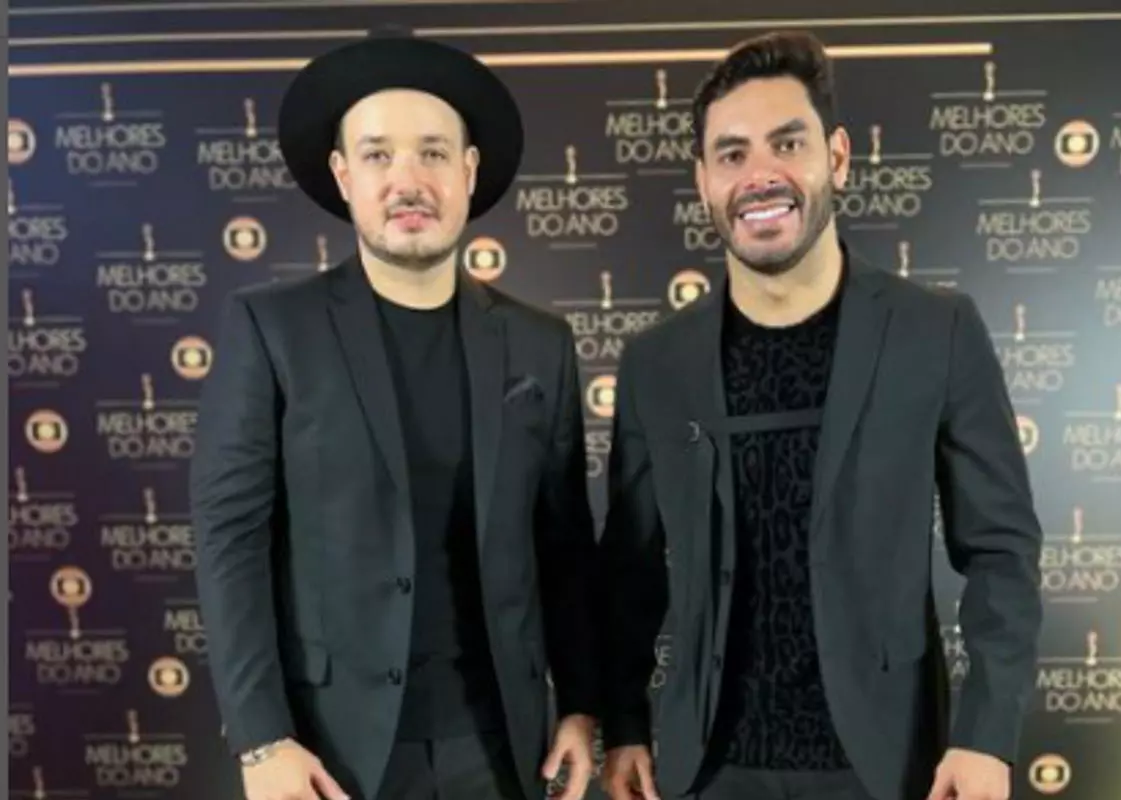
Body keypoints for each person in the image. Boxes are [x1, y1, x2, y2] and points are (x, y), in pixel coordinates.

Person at [597, 30, 1043, 800]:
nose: (760, 174)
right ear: (703, 181)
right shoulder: (654, 365)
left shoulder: (935, 332)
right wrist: (626, 724)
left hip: (888, 767)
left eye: (787, 143)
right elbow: (628, 575)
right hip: (706, 773)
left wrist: (984, 736)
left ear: (836, 157)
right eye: (732, 154)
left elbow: (1001, 550)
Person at [190, 29, 599, 800]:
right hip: (328, 752)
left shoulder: (541, 343)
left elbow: (564, 545)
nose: (407, 180)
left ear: (469, 172)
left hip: (504, 748)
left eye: (433, 153)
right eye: (378, 154)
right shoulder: (272, 329)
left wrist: (580, 705)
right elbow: (230, 541)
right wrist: (261, 739)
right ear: (343, 175)